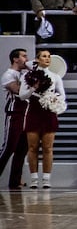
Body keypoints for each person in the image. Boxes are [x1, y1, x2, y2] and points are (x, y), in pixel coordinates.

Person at [20, 49, 66, 189]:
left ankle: (46, 179)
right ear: (37, 59)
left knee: (48, 147)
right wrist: (33, 89)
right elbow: (22, 96)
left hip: (48, 113)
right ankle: (34, 179)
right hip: (34, 111)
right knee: (32, 147)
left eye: (49, 57)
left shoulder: (55, 77)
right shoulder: (28, 76)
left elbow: (62, 95)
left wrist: (54, 100)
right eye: (44, 56)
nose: (47, 59)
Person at [1, 49, 30, 188]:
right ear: (15, 59)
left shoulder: (23, 74)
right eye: (24, 56)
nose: (27, 59)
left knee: (22, 149)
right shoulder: (9, 75)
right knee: (9, 147)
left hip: (26, 114)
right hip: (14, 113)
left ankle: (15, 180)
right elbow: (18, 90)